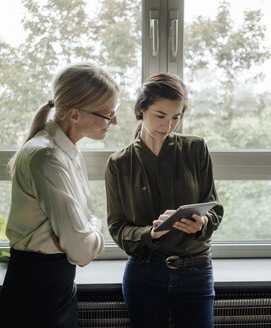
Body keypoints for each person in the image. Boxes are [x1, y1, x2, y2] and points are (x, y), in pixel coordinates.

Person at [0, 63, 119, 328]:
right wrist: (94, 230)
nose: (114, 122)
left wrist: (90, 227)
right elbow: (80, 250)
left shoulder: (66, 150)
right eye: (108, 115)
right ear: (75, 115)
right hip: (37, 293)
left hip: (56, 285)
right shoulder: (49, 157)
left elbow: (83, 227)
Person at [105, 73, 223, 327]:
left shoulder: (196, 149)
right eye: (160, 115)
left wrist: (202, 223)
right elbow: (117, 228)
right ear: (141, 109)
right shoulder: (119, 164)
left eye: (176, 117)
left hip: (196, 271)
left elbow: (215, 208)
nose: (168, 125)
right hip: (145, 273)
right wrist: (151, 233)